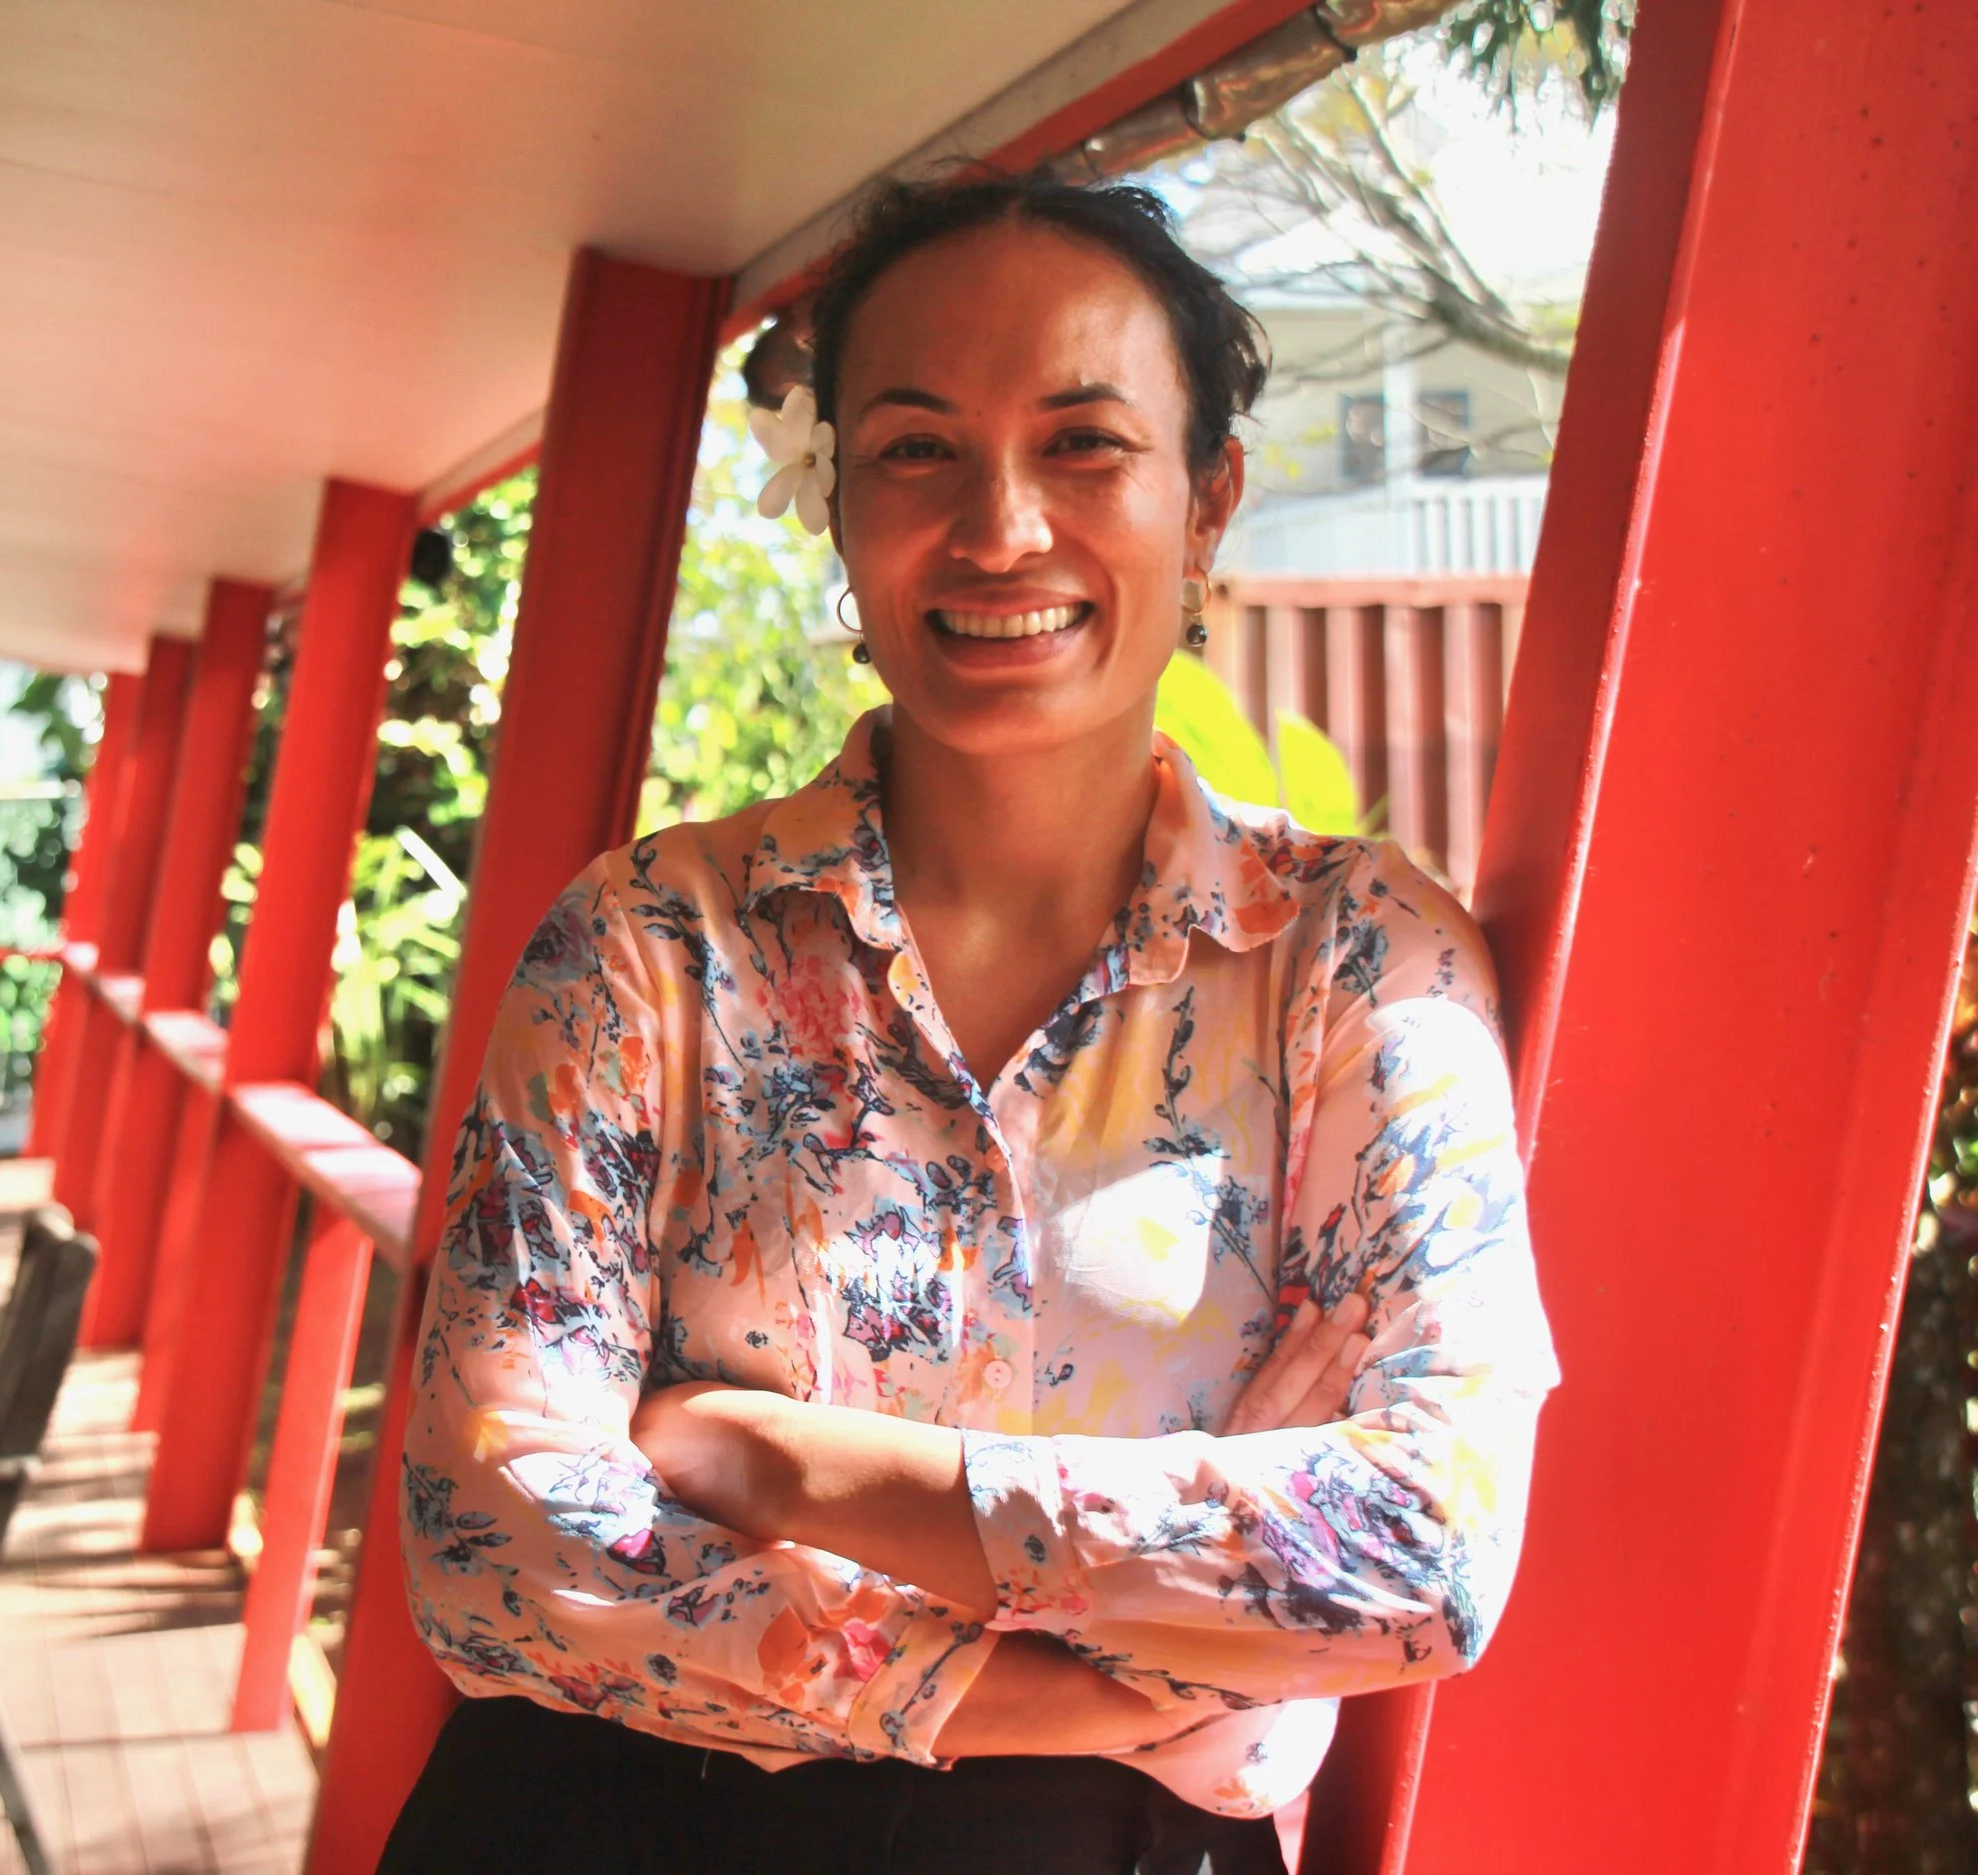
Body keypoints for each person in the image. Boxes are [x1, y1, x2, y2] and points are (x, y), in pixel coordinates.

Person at [383, 171, 1558, 1875]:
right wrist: (1100, 1679)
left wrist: (776, 1461)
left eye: (1084, 443)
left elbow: (1428, 1554)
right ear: (841, 506)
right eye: (919, 449)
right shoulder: (649, 950)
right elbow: (484, 1536)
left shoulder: (1354, 965)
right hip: (618, 1832)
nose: (1001, 528)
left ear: (1209, 499)